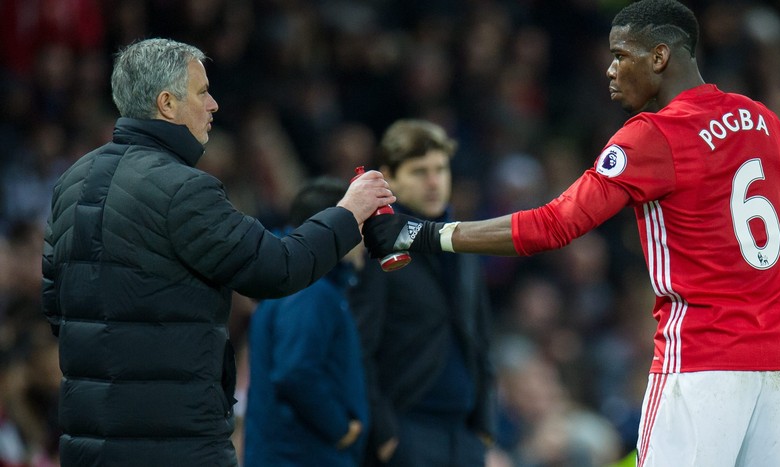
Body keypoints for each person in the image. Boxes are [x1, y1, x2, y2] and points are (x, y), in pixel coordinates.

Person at [361, 1, 780, 466]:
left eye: (620, 56)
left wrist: (422, 234)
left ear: (658, 57)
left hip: (702, 360)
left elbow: (553, 225)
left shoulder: (653, 135)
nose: (610, 71)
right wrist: (751, 273)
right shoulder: (764, 121)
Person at [40, 38, 394, 466]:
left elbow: (56, 305)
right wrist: (348, 212)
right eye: (202, 91)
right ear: (167, 103)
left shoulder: (72, 182)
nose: (214, 105)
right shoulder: (183, 189)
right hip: (175, 442)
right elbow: (278, 268)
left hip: (86, 441)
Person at [348, 119, 496, 466]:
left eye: (440, 169)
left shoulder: (460, 241)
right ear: (389, 176)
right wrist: (384, 433)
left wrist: (485, 425)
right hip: (409, 431)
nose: (434, 182)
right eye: (419, 171)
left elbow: (482, 336)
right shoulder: (378, 247)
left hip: (464, 434)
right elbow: (359, 345)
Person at [244, 176, 369, 466]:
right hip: (303, 454)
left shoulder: (298, 283)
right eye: (361, 224)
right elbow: (295, 370)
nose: (366, 239)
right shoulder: (311, 290)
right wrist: (340, 427)